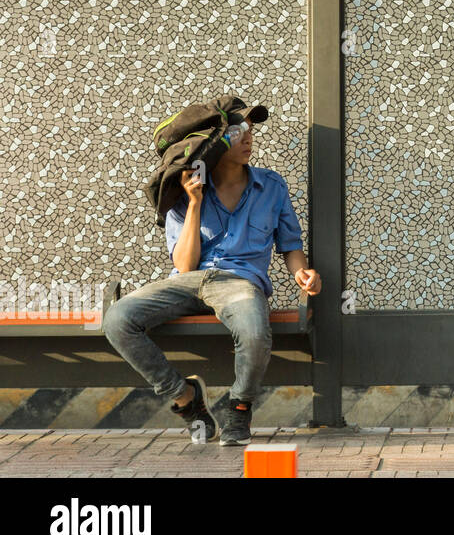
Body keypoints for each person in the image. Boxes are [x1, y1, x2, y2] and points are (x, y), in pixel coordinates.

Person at [105, 101, 320, 446]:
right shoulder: (182, 187)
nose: (249, 138)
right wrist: (193, 202)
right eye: (239, 131)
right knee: (118, 319)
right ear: (215, 142)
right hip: (189, 282)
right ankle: (186, 398)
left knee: (254, 332)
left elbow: (291, 246)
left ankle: (239, 408)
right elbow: (185, 265)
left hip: (239, 283)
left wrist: (303, 273)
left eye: (251, 130)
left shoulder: (271, 186)